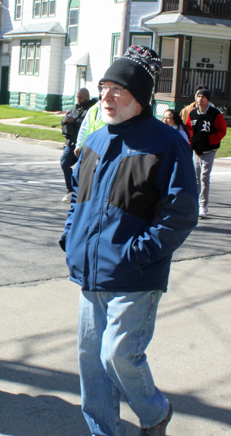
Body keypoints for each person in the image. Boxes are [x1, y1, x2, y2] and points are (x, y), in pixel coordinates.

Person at [59, 46, 198, 436]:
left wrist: (139, 252)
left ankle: (154, 414)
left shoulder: (167, 143)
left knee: (118, 354)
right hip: (90, 272)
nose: (106, 97)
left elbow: (181, 211)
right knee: (91, 362)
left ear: (140, 96)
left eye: (117, 89)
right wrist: (71, 238)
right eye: (104, 87)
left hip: (135, 274)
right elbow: (77, 198)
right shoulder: (96, 141)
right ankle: (105, 432)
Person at [185, 88, 227, 218]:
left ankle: (203, 205)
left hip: (210, 149)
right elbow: (188, 129)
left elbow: (222, 130)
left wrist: (211, 140)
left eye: (203, 97)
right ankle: (196, 203)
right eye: (198, 96)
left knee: (204, 176)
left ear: (207, 99)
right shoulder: (192, 114)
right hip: (197, 149)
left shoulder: (215, 114)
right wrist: (192, 141)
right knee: (196, 176)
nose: (200, 99)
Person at [60, 88, 96, 202]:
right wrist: (66, 119)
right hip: (72, 144)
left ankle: (83, 193)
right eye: (77, 97)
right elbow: (67, 120)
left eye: (81, 97)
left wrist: (74, 121)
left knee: (85, 170)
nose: (78, 100)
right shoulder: (75, 108)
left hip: (86, 145)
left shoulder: (93, 108)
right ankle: (70, 189)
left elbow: (87, 125)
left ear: (87, 96)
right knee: (64, 163)